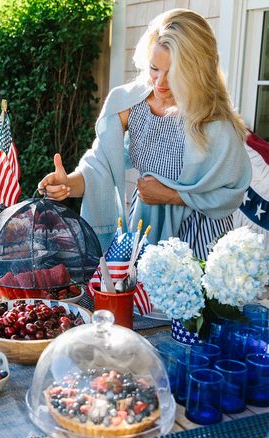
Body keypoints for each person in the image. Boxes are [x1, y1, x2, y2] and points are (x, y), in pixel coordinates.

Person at [38, 8, 251, 259]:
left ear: (197, 72)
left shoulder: (215, 123)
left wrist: (172, 196)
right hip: (145, 231)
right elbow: (101, 166)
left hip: (202, 240)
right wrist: (68, 184)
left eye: (174, 73)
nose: (160, 82)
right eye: (154, 68)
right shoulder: (129, 105)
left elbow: (231, 193)